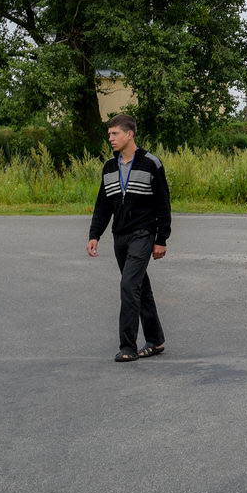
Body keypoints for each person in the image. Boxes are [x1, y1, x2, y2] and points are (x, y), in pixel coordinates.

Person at [87, 113, 172, 363]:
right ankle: (156, 340)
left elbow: (163, 204)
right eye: (109, 134)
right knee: (139, 287)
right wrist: (94, 234)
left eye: (115, 134)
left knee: (128, 285)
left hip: (143, 234)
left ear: (129, 134)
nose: (110, 138)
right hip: (119, 236)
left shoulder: (150, 163)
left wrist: (161, 239)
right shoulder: (109, 167)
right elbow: (102, 205)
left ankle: (128, 346)